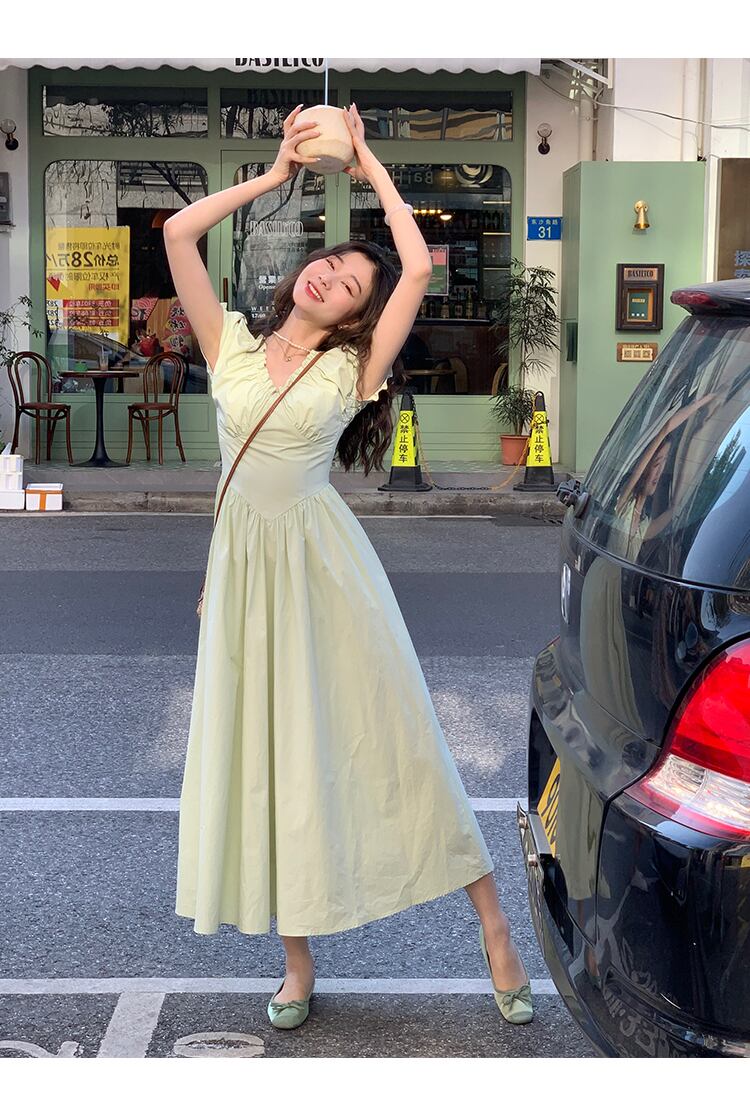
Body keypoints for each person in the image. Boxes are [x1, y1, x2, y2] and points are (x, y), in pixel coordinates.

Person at [164, 102, 532, 1031]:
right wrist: (273, 176)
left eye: (351, 285)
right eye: (329, 264)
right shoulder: (231, 343)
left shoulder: (352, 370)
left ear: (359, 316)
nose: (332, 276)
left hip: (326, 573)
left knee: (395, 736)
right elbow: (175, 232)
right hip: (245, 578)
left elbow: (418, 267)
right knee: (270, 757)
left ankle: (494, 928)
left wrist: (367, 162)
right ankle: (297, 962)